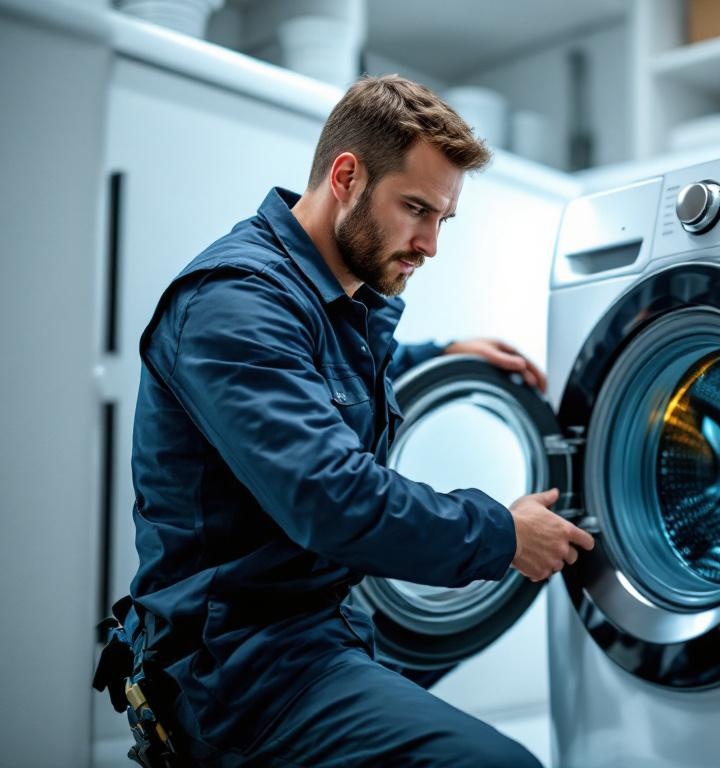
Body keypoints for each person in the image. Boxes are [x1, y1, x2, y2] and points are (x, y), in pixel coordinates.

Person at [124, 74, 595, 767]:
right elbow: (331, 498)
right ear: (346, 176)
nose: (430, 243)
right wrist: (502, 534)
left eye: (443, 219)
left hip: (322, 623)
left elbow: (320, 376)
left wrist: (442, 354)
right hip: (237, 669)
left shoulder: (322, 297)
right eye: (416, 209)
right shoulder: (233, 304)